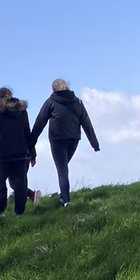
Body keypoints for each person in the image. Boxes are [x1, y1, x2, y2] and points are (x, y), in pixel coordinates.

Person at [30, 78, 100, 207]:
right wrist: (94, 143)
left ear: (53, 89)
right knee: (63, 168)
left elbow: (39, 123)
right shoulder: (77, 102)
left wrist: (31, 142)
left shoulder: (51, 101)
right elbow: (86, 123)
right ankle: (64, 196)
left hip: (57, 140)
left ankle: (66, 201)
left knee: (62, 170)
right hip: (73, 139)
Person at [0, 87, 37, 215]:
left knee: (0, 183)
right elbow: (27, 132)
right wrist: (32, 153)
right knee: (20, 183)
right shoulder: (22, 111)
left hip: (4, 154)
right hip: (21, 153)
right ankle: (19, 213)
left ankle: (0, 211)